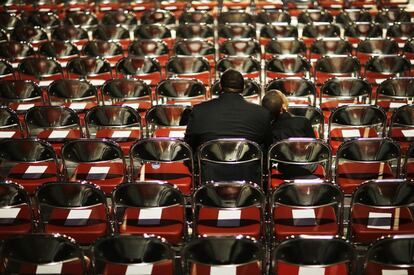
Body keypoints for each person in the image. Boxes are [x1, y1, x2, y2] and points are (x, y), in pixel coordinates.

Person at [184, 69, 272, 152]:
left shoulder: (199, 111)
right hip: (249, 167)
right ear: (243, 88)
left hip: (209, 167)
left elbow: (189, 147)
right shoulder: (262, 113)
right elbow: (268, 148)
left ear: (220, 86)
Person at [262, 89, 317, 179]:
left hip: (285, 168)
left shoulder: (268, 129)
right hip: (308, 166)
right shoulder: (303, 121)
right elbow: (314, 147)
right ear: (282, 106)